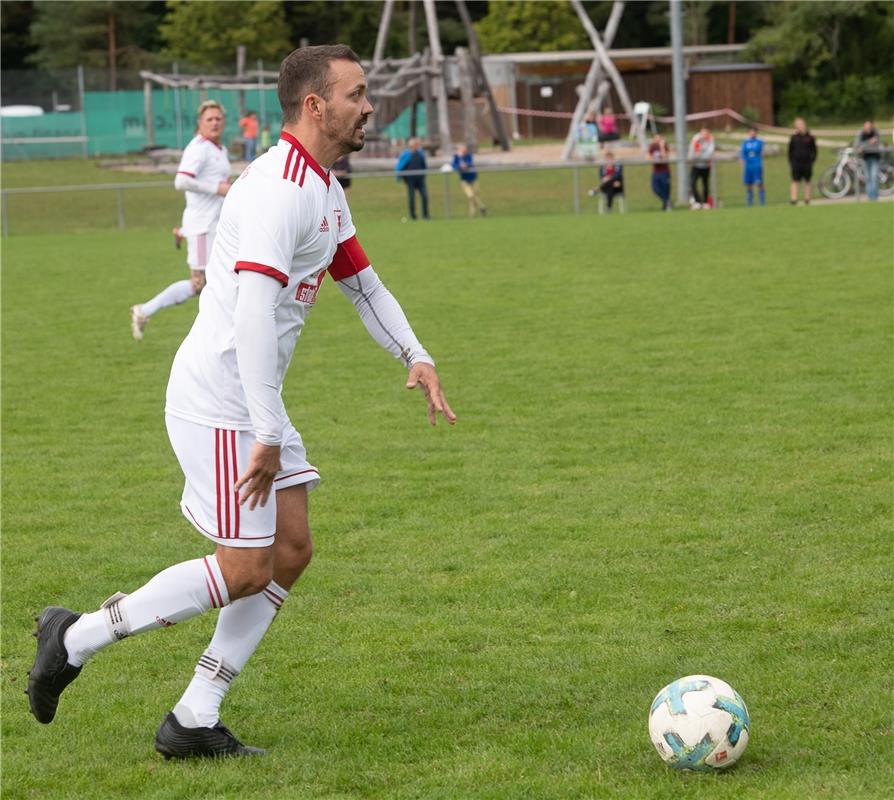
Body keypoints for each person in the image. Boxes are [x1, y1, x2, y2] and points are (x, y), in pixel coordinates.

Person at [27, 44, 456, 759]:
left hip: (253, 401)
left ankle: (195, 715)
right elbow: (254, 315)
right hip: (222, 399)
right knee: (247, 565)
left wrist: (417, 355)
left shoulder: (322, 187)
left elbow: (363, 284)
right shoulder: (276, 190)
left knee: (291, 548)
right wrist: (265, 428)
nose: (370, 106)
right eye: (356, 94)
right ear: (315, 106)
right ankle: (73, 637)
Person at [130, 101, 231, 341]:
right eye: (209, 119)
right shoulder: (198, 148)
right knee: (201, 285)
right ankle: (144, 311)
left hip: (217, 226)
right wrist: (216, 189)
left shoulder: (219, 149)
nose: (215, 122)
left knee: (224, 278)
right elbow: (181, 181)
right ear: (200, 124)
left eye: (218, 118)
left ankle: (220, 334)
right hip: (203, 227)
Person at [395, 138, 429, 220]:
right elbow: (400, 166)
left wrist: (424, 174)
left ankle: (425, 215)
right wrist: (399, 177)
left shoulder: (420, 154)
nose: (416, 147)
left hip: (420, 179)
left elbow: (424, 165)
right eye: (415, 145)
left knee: (425, 196)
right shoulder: (406, 154)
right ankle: (413, 215)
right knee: (411, 197)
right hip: (410, 179)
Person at [451, 144, 487, 217]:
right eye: (460, 149)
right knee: (470, 195)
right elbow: (454, 165)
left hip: (473, 178)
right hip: (464, 180)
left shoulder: (468, 156)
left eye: (463, 148)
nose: (461, 150)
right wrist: (459, 165)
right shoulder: (456, 157)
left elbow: (470, 162)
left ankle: (472, 214)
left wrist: (465, 165)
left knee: (475, 195)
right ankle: (482, 207)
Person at [788, 117, 817, 205]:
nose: (799, 126)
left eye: (801, 124)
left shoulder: (810, 137)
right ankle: (794, 199)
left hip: (807, 163)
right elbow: (790, 151)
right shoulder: (794, 138)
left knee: (807, 180)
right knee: (795, 180)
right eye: (797, 125)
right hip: (796, 163)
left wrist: (812, 160)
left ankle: (807, 199)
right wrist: (792, 162)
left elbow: (814, 150)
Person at [855, 120, 882, 201]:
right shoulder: (861, 134)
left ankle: (874, 197)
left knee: (874, 177)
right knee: (867, 177)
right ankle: (870, 197)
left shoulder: (876, 132)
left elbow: (876, 143)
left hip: (874, 158)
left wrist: (864, 146)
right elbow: (858, 145)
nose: (868, 129)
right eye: (866, 127)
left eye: (869, 127)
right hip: (865, 158)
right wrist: (868, 143)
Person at [688, 127, 714, 209]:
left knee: (705, 184)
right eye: (703, 133)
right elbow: (692, 151)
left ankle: (706, 202)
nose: (704, 135)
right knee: (692, 183)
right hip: (696, 166)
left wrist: (700, 155)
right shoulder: (696, 139)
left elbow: (709, 153)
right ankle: (697, 202)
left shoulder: (710, 139)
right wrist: (695, 156)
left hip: (705, 166)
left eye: (706, 133)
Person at [739, 127, 765, 207]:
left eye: (754, 132)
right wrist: (742, 164)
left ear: (756, 133)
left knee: (759, 183)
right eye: (751, 132)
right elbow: (742, 154)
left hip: (756, 165)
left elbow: (762, 152)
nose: (752, 133)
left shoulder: (759, 141)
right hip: (748, 165)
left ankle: (762, 202)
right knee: (749, 184)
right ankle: (750, 203)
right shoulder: (745, 142)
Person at [647, 133, 671, 211]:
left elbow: (665, 157)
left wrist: (661, 146)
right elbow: (648, 157)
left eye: (659, 138)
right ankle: (666, 201)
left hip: (664, 171)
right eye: (655, 138)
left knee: (665, 189)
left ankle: (666, 206)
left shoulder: (664, 146)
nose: (657, 140)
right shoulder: (652, 147)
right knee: (656, 189)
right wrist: (653, 159)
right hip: (656, 172)